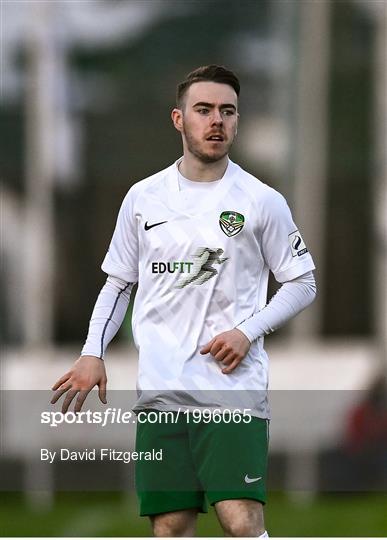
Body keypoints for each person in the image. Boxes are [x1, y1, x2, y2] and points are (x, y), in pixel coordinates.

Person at [51, 65, 317, 537]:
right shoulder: (143, 198)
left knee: (240, 518)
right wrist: (92, 352)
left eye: (227, 111)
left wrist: (246, 331)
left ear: (237, 121)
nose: (217, 120)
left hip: (232, 392)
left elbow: (302, 283)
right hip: (161, 390)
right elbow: (118, 284)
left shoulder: (261, 200)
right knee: (171, 526)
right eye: (204, 110)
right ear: (179, 119)